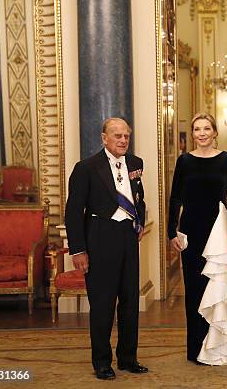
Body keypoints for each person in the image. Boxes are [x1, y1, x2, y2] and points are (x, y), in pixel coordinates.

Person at [64, 118, 148, 380]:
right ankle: (102, 362)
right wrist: (78, 250)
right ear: (104, 138)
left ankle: (128, 358)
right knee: (102, 305)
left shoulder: (135, 163)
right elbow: (74, 212)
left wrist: (140, 222)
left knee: (130, 302)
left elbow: (138, 198)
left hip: (127, 239)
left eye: (126, 136)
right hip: (99, 239)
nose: (123, 140)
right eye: (117, 136)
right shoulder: (86, 168)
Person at [168, 113, 227, 365]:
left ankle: (221, 342)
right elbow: (175, 197)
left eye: (206, 128)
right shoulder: (184, 161)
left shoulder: (225, 159)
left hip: (217, 231)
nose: (201, 133)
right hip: (191, 231)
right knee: (195, 290)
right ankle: (196, 347)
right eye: (197, 128)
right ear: (193, 133)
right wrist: (171, 232)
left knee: (217, 286)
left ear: (214, 132)